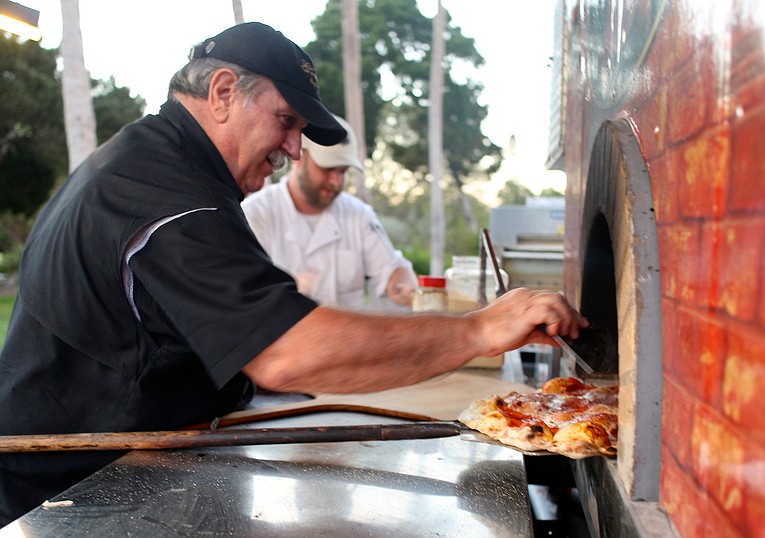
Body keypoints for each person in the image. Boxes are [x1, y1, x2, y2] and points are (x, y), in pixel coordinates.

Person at [0, 22, 587, 526]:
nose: (295, 149)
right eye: (286, 121)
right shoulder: (166, 197)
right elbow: (285, 352)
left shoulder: (154, 164)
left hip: (134, 459)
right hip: (74, 489)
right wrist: (479, 331)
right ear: (224, 91)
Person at [242, 115, 416, 309]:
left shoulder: (358, 215)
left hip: (348, 337)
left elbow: (393, 269)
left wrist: (403, 286)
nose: (336, 181)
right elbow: (245, 297)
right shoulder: (255, 215)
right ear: (299, 156)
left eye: (342, 171)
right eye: (328, 168)